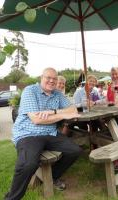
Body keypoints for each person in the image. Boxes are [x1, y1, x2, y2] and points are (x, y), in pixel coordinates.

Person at [5, 68, 82, 200]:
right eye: (48, 78)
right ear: (41, 77)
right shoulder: (30, 90)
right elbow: (37, 119)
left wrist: (54, 112)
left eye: (54, 78)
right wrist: (64, 114)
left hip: (50, 133)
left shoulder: (57, 94)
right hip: (29, 133)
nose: (51, 81)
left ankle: (52, 177)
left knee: (75, 150)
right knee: (28, 164)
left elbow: (73, 109)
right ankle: (12, 198)